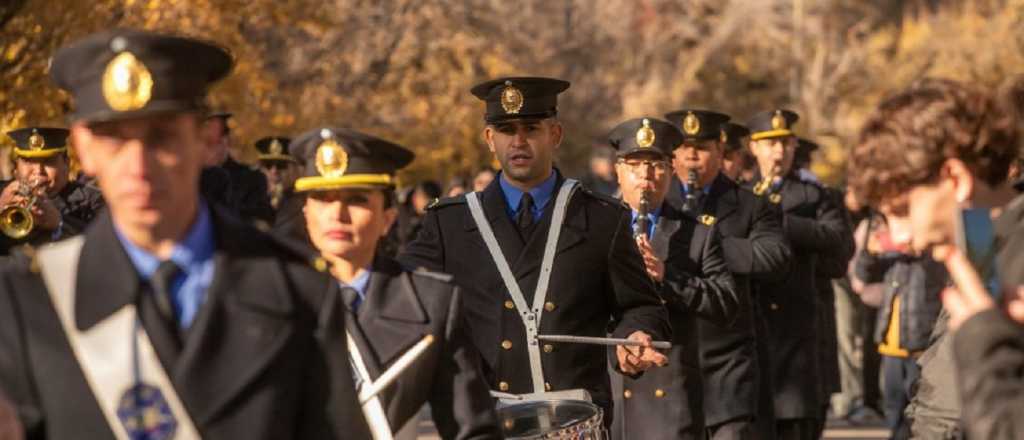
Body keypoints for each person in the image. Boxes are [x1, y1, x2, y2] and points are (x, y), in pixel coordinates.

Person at [0, 29, 369, 439]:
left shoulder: (295, 287)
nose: (138, 165)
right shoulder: (28, 297)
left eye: (162, 137)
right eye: (115, 139)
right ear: (84, 147)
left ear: (204, 139)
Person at [399, 76, 670, 423]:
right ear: (489, 139)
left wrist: (634, 336)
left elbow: (642, 306)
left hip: (574, 419)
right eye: (506, 129)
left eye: (531, 128)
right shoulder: (450, 224)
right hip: (484, 420)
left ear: (555, 135)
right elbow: (401, 298)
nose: (519, 141)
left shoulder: (602, 219)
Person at [291, 127, 501, 439]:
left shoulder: (433, 302)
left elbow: (471, 429)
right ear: (307, 213)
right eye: (322, 198)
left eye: (357, 199)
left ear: (387, 217)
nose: (337, 213)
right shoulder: (270, 298)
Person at [847, 78, 1020, 440]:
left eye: (902, 210)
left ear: (954, 178)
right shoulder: (981, 245)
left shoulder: (1011, 253)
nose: (900, 236)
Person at [604, 117, 739, 440]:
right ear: (618, 171)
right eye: (635, 165)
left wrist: (669, 277)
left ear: (671, 170)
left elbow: (727, 304)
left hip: (669, 396)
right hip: (610, 388)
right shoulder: (594, 228)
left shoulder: (698, 233)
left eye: (656, 165)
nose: (646, 176)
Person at [663, 108, 791, 440]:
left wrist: (709, 248)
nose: (692, 156)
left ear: (721, 151)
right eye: (684, 147)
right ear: (671, 153)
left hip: (727, 361)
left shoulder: (749, 204)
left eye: (702, 147)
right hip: (670, 358)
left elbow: (775, 256)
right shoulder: (659, 203)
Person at [743, 108, 854, 440]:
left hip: (800, 334)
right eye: (771, 143)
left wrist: (780, 222)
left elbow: (838, 242)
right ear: (754, 148)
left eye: (786, 144)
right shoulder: (740, 194)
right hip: (751, 329)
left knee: (799, 423)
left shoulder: (816, 196)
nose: (779, 152)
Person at [850, 201, 945, 440]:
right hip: (891, 341)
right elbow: (862, 277)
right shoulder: (890, 252)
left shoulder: (931, 250)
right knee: (893, 406)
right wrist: (869, 252)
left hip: (921, 341)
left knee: (920, 407)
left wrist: (919, 246)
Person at [0, 127, 105, 254]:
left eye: (49, 161)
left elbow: (104, 252)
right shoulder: (3, 194)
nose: (38, 171)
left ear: (67, 164)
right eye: (28, 161)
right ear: (16, 168)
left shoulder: (95, 200)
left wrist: (59, 223)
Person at [199, 111, 275, 225]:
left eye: (215, 142)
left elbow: (259, 224)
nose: (208, 150)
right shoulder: (188, 181)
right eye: (204, 142)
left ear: (226, 141)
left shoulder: (251, 179)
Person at [253, 136, 298, 211]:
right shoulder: (250, 201)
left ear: (293, 169)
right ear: (260, 168)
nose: (274, 171)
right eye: (268, 165)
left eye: (281, 165)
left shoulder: (303, 203)